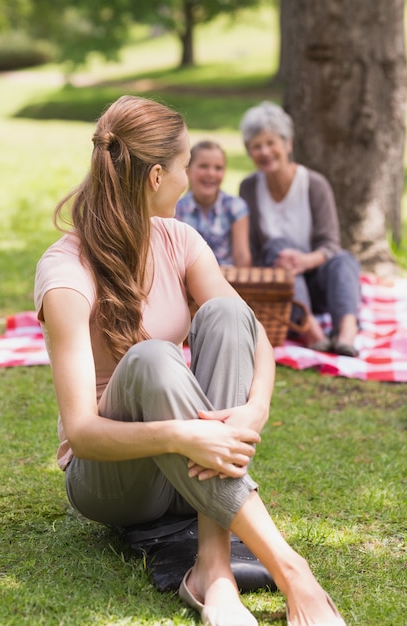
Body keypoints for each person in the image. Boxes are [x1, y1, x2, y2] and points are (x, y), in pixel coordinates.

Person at [34, 94, 346, 626]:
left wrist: (256, 410)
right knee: (154, 358)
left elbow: (254, 336)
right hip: (113, 480)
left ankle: (214, 570)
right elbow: (82, 432)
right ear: (157, 175)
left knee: (226, 315)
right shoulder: (66, 271)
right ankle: (295, 574)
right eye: (184, 167)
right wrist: (180, 436)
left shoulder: (180, 239)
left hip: (191, 463)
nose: (190, 178)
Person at [239, 101, 360, 357]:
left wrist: (304, 261)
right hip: (281, 290)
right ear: (249, 152)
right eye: (256, 146)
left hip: (317, 282)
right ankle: (312, 331)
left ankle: (346, 333)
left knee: (344, 259)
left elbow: (330, 243)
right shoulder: (248, 187)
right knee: (277, 246)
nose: (265, 151)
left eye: (271, 143)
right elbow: (252, 247)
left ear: (288, 144)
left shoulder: (314, 184)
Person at [176, 139, 252, 266]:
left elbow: (242, 256)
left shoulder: (235, 207)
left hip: (227, 281)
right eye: (203, 166)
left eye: (218, 168)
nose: (211, 173)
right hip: (189, 281)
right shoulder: (178, 209)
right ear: (188, 170)